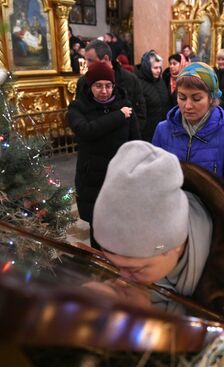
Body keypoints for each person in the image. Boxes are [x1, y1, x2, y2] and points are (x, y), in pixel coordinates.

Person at [91, 140, 224, 315]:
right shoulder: (156, 248)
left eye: (135, 269)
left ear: (175, 244)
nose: (123, 278)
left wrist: (152, 326)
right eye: (115, 265)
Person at [67, 62, 140, 248]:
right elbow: (87, 130)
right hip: (92, 177)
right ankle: (99, 268)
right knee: (97, 226)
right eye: (98, 85)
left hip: (119, 177)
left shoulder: (125, 105)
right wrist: (118, 116)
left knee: (121, 226)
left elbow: (135, 141)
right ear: (89, 86)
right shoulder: (78, 107)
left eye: (108, 85)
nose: (104, 90)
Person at [152, 62, 224, 191]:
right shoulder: (163, 130)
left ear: (211, 99)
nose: (188, 106)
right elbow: (155, 178)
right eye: (182, 97)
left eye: (196, 99)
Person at [78, 40, 147, 132]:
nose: (87, 65)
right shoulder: (83, 82)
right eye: (86, 60)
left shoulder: (129, 79)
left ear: (105, 59)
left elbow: (139, 114)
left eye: (90, 60)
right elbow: (80, 113)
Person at [135, 50, 169, 141]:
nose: (158, 71)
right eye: (155, 68)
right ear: (147, 67)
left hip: (162, 130)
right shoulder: (138, 83)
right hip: (147, 133)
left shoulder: (160, 81)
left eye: (160, 67)